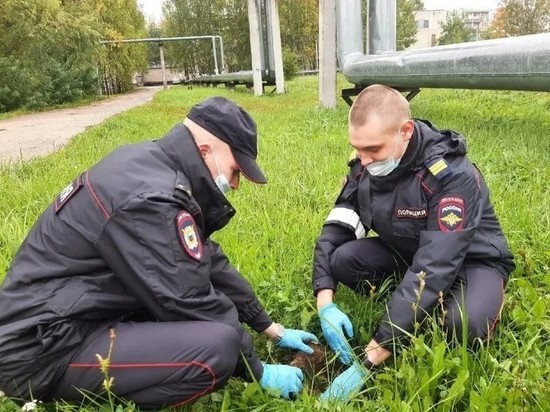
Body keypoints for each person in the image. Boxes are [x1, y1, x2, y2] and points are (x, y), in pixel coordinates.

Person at [0, 96, 318, 408]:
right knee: (218, 349)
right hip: (42, 351)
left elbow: (207, 259)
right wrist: (257, 370)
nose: (235, 184)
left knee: (203, 329)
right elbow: (189, 299)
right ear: (206, 149)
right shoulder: (154, 199)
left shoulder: (151, 167)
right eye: (236, 171)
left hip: (68, 319)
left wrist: (269, 327)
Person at [314, 85, 515, 401]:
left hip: (471, 261)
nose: (363, 161)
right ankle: (415, 307)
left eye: (373, 150)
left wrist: (374, 354)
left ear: (405, 131)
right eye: (357, 149)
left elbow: (434, 265)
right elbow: (338, 227)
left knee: (464, 325)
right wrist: (324, 300)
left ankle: (469, 300)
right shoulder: (365, 167)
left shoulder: (451, 175)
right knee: (342, 260)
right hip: (408, 251)